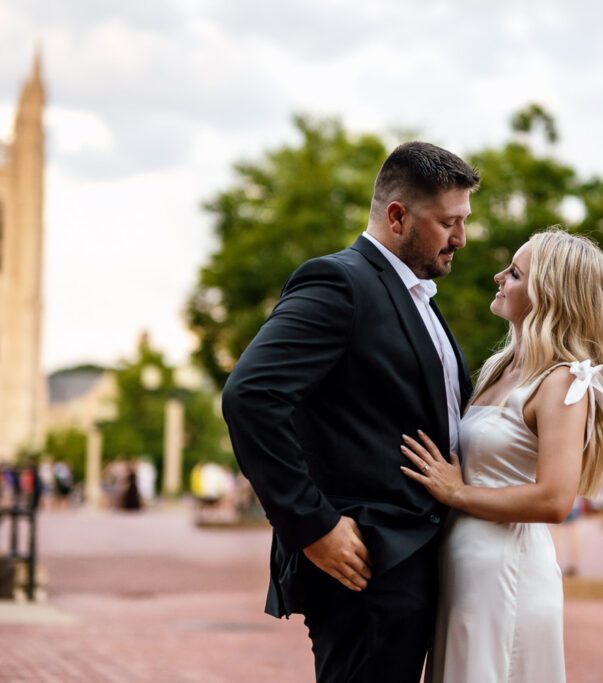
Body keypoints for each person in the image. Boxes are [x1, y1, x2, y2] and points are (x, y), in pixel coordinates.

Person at [222, 142, 479, 683]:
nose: (461, 237)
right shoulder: (339, 282)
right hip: (366, 563)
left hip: (414, 564)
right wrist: (313, 526)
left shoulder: (420, 296)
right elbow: (251, 396)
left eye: (464, 221)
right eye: (448, 222)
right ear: (396, 216)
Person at [398, 229, 603, 683]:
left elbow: (555, 501)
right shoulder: (500, 369)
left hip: (507, 571)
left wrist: (457, 493)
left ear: (550, 294)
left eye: (516, 273)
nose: (499, 276)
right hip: (464, 567)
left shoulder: (563, 381)